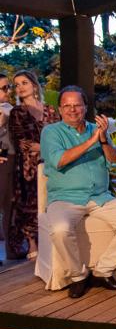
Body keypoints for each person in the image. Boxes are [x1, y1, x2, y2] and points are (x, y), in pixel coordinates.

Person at [40, 85, 116, 298]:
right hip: (65, 198)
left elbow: (114, 161)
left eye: (77, 105)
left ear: (85, 107)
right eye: (67, 106)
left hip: (99, 197)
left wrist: (103, 139)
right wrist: (91, 141)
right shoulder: (51, 132)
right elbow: (59, 160)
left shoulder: (96, 130)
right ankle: (78, 276)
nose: (72, 109)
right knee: (59, 229)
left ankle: (102, 272)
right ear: (60, 109)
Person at [8, 70, 60, 260]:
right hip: (28, 166)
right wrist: (44, 148)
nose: (20, 87)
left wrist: (44, 148)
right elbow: (23, 143)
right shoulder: (17, 112)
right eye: (17, 85)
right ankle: (32, 243)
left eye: (24, 83)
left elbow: (59, 137)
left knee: (51, 201)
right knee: (29, 203)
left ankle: (52, 239)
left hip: (52, 164)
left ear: (34, 85)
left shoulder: (50, 110)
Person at [0, 73, 15, 253]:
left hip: (12, 158)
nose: (8, 91)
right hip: (3, 159)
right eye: (4, 88)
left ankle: (12, 248)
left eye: (8, 87)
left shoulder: (9, 108)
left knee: (10, 205)